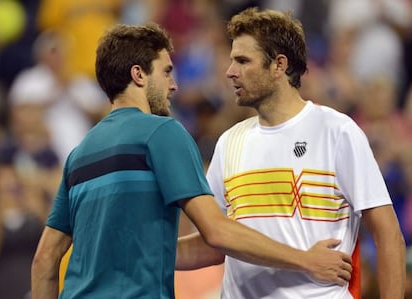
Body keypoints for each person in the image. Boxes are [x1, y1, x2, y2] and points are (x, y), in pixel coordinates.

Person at [31, 23, 353, 299]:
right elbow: (216, 232)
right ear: (138, 75)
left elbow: (45, 260)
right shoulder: (162, 132)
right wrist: (305, 259)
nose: (174, 85)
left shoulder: (79, 153)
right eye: (167, 71)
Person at [201, 7, 406, 299]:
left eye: (243, 61)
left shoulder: (337, 131)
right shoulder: (228, 142)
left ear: (279, 65)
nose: (230, 71)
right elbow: (213, 241)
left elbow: (388, 235)